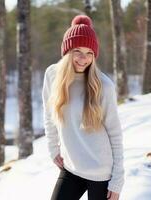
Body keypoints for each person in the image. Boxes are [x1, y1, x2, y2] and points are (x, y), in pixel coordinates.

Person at [42, 15, 124, 200]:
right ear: (67, 51)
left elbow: (115, 135)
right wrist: (53, 148)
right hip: (71, 168)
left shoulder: (104, 86)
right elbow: (49, 115)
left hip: (101, 173)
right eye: (77, 51)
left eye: (89, 53)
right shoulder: (52, 75)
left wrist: (117, 181)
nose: (83, 58)